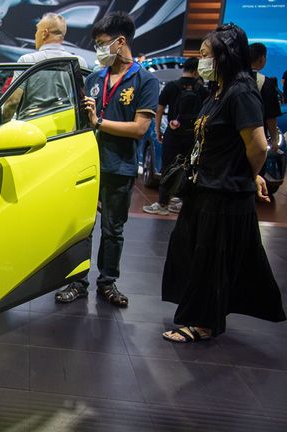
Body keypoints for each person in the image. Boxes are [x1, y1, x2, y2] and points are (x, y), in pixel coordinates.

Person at [161, 24, 285, 343]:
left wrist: (246, 173)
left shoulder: (241, 90)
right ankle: (199, 313)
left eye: (205, 55)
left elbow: (257, 144)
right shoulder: (219, 89)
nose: (201, 60)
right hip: (205, 187)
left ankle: (204, 323)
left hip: (224, 192)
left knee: (211, 259)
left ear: (224, 56)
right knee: (190, 250)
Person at [55, 12, 159, 308]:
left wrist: (98, 121)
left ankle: (107, 282)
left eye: (102, 44)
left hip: (120, 167)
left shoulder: (145, 81)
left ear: (120, 41)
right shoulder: (95, 78)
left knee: (113, 229)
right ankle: (76, 281)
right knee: (82, 228)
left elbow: (140, 129)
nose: (99, 50)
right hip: (87, 166)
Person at [143, 58, 208, 215]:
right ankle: (182, 202)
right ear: (196, 71)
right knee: (189, 168)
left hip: (173, 133)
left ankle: (163, 203)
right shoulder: (202, 90)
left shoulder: (172, 86)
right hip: (192, 136)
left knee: (168, 167)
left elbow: (159, 109)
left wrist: (158, 130)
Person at [3, 13, 87, 120]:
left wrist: (1, 125)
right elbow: (84, 101)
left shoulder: (28, 61)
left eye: (37, 30)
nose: (35, 35)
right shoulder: (79, 62)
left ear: (44, 33)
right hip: (69, 129)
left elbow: (12, 102)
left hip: (32, 129)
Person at [249, 43, 282, 149]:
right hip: (257, 137)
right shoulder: (265, 82)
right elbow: (270, 116)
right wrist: (274, 140)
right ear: (262, 59)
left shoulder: (234, 80)